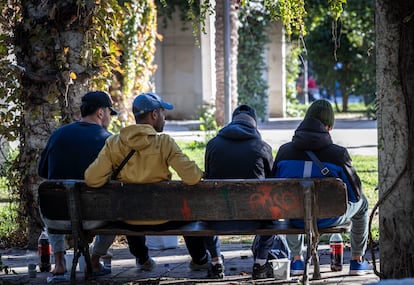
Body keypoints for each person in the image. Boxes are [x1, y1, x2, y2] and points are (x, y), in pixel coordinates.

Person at [84, 92, 207, 273]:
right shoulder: (164, 142)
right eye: (163, 113)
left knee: (131, 209)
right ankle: (200, 259)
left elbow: (92, 179)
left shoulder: (114, 143)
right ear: (154, 115)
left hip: (128, 218)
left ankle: (142, 258)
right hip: (164, 218)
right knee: (189, 212)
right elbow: (192, 178)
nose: (164, 118)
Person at [271, 99, 372, 276]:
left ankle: (296, 261)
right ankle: (357, 261)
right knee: (362, 204)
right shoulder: (338, 154)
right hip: (328, 217)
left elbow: (273, 188)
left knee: (292, 205)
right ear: (329, 127)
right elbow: (355, 196)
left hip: (295, 218)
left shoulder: (284, 151)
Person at [38, 91, 119, 277]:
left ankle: (59, 263)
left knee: (51, 197)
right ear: (100, 113)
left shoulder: (58, 135)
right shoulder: (110, 141)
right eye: (109, 113)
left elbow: (42, 173)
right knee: (118, 210)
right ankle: (94, 260)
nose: (110, 118)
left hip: (56, 217)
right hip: (94, 217)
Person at [202, 104, 275, 279]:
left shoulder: (212, 145)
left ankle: (216, 262)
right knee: (272, 208)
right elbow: (273, 183)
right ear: (254, 124)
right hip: (256, 220)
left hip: (217, 220)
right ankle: (260, 263)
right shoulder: (263, 147)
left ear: (232, 122)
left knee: (204, 208)